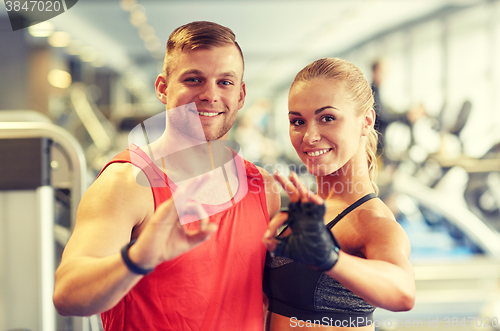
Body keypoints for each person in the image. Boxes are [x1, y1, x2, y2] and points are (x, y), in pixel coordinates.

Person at [53, 21, 280, 331]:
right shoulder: (128, 183)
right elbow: (68, 295)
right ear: (163, 88)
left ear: (240, 94)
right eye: (194, 79)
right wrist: (138, 259)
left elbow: (266, 304)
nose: (210, 95)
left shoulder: (263, 188)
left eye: (225, 82)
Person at [262, 58, 415, 330]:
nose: (309, 135)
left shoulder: (370, 219)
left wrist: (331, 258)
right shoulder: (309, 209)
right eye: (298, 121)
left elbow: (403, 291)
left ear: (366, 121)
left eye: (328, 118)